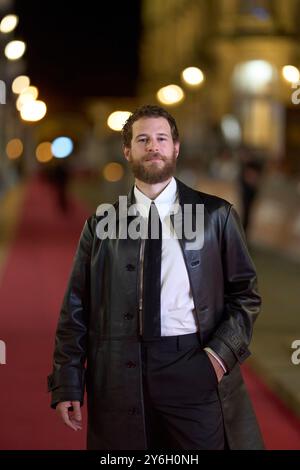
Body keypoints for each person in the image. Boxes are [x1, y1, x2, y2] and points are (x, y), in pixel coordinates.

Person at [47, 105, 264, 450]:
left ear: (175, 148)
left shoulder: (215, 216)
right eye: (143, 139)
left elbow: (246, 295)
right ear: (127, 151)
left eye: (162, 138)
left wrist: (218, 358)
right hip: (118, 372)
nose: (153, 147)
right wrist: (67, 381)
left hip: (192, 363)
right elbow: (76, 308)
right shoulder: (102, 225)